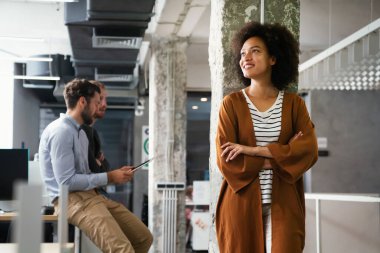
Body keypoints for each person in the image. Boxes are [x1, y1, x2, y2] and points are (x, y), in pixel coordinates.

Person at [215, 22, 318, 253]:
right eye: (243, 53)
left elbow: (308, 151)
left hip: (284, 202)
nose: (246, 57)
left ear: (273, 58)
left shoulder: (295, 105)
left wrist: (252, 150)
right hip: (240, 203)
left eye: (255, 51)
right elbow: (226, 160)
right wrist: (283, 154)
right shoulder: (230, 105)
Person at [39, 78, 153, 253]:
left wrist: (116, 175)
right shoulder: (60, 131)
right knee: (122, 249)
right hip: (70, 201)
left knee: (143, 238)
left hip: (91, 196)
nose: (98, 107)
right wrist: (109, 176)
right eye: (97, 102)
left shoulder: (82, 135)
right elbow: (66, 181)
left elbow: (88, 175)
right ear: (83, 101)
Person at [81, 80, 110, 174]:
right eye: (100, 99)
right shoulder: (79, 131)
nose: (104, 104)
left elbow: (105, 168)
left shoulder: (93, 134)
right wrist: (98, 164)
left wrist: (99, 163)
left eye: (105, 99)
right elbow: (96, 171)